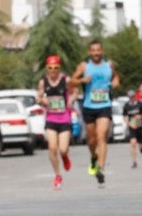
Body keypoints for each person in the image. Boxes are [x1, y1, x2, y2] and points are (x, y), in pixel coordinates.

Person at [72, 40, 118, 185]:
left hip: (105, 105)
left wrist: (115, 82)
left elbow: (115, 76)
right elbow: (71, 81)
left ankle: (101, 169)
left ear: (102, 51)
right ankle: (93, 157)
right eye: (93, 50)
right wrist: (82, 80)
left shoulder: (109, 65)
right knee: (92, 140)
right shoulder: (84, 66)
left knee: (101, 136)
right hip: (89, 106)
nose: (96, 53)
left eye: (98, 50)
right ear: (89, 52)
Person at [38, 55, 75, 188]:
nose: (53, 70)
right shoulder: (43, 82)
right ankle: (58, 175)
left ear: (59, 68)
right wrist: (42, 100)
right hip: (51, 119)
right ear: (47, 68)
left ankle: (64, 156)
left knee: (63, 149)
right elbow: (39, 96)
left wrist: (71, 100)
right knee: (52, 148)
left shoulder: (66, 80)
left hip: (64, 118)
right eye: (50, 68)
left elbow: (75, 91)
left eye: (55, 67)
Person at [123, 84, 142, 167]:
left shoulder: (140, 104)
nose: (131, 98)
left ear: (135, 96)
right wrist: (129, 124)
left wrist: (141, 116)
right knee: (133, 142)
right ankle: (134, 161)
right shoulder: (126, 105)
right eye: (130, 97)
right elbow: (125, 117)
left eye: (132, 96)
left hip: (140, 126)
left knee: (140, 144)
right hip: (132, 127)